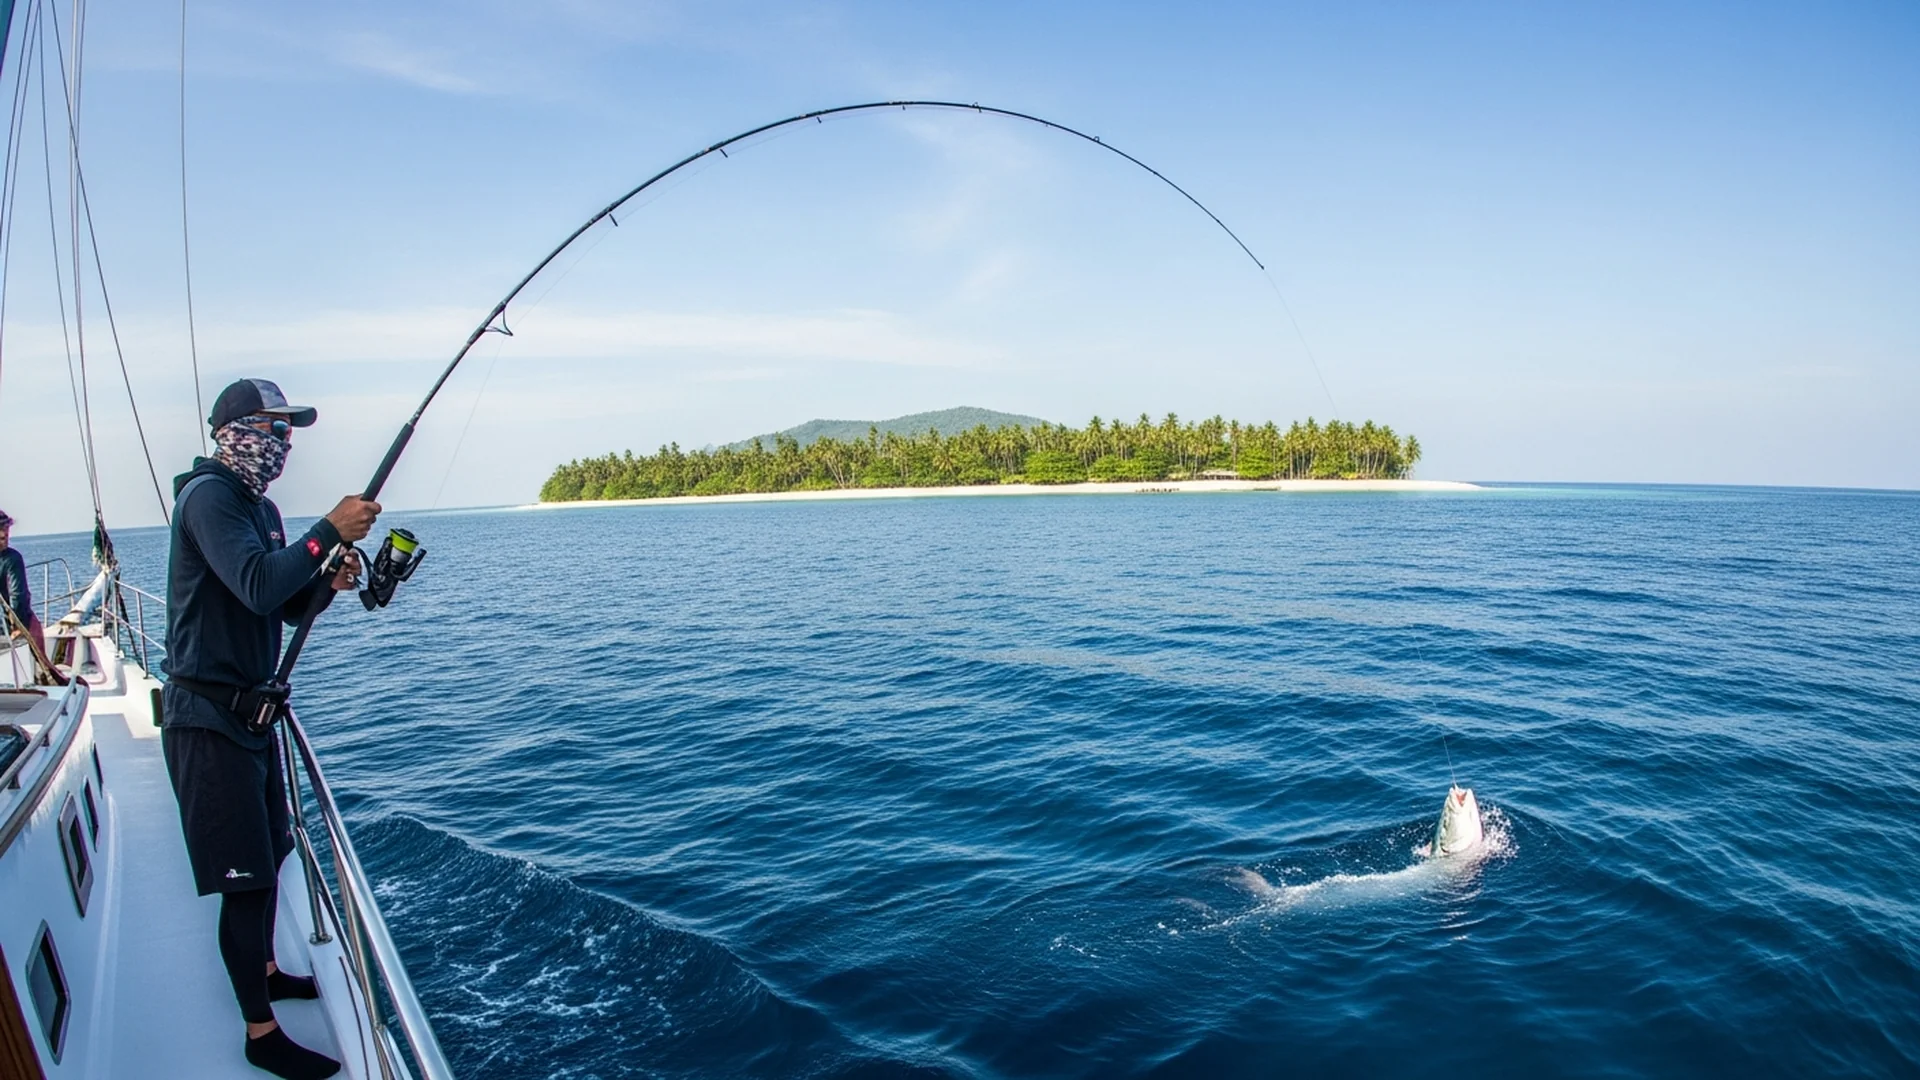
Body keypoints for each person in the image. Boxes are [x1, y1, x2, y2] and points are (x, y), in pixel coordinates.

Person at [161, 378, 379, 1080]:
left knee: (275, 850)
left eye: (288, 431)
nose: (282, 442)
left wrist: (325, 582)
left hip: (253, 718)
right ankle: (260, 1033)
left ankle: (266, 970)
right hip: (207, 721)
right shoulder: (209, 498)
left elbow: (279, 604)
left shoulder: (261, 508)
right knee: (246, 882)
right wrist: (328, 531)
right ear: (231, 430)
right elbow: (256, 583)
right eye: (271, 427)